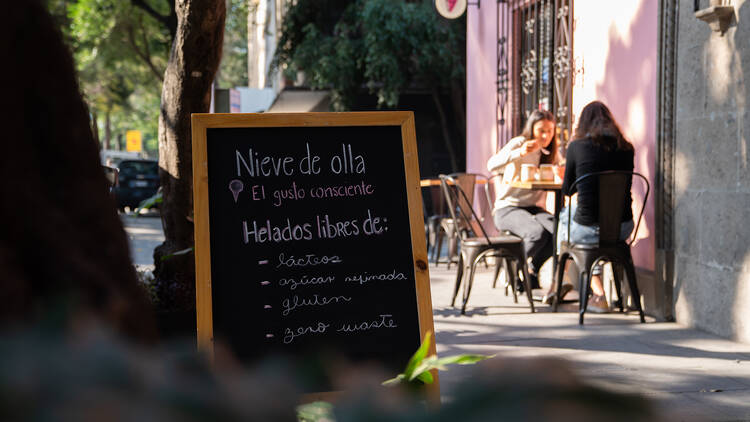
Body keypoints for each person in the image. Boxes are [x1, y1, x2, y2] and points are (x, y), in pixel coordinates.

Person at [556, 101, 636, 313]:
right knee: (590, 228)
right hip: (623, 227)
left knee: (565, 216)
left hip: (589, 229)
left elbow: (567, 190)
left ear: (582, 123)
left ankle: (567, 279)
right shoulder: (627, 148)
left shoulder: (576, 146)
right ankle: (596, 292)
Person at [486, 110, 560, 290]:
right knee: (536, 232)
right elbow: (491, 165)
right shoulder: (519, 143)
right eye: (541, 130)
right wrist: (518, 153)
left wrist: (560, 172)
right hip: (508, 208)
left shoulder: (551, 152)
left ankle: (533, 270)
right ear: (531, 128)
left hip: (534, 208)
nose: (545, 136)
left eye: (550, 131)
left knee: (560, 233)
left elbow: (560, 169)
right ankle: (513, 269)